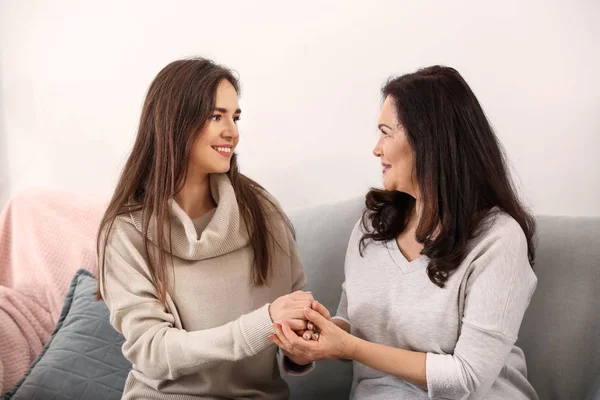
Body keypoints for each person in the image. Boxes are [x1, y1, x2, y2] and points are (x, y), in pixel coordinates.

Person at [270, 65, 539, 400]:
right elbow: (356, 325)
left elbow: (467, 379)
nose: (376, 149)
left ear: (428, 141)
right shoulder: (374, 225)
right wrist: (315, 338)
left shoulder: (498, 239)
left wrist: (351, 347)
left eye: (386, 132)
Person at [97, 57, 313, 400]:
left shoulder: (262, 211)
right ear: (175, 123)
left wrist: (301, 347)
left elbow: (293, 309)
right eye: (216, 116)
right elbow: (152, 351)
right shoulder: (127, 231)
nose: (233, 131)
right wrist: (262, 324)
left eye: (235, 117)